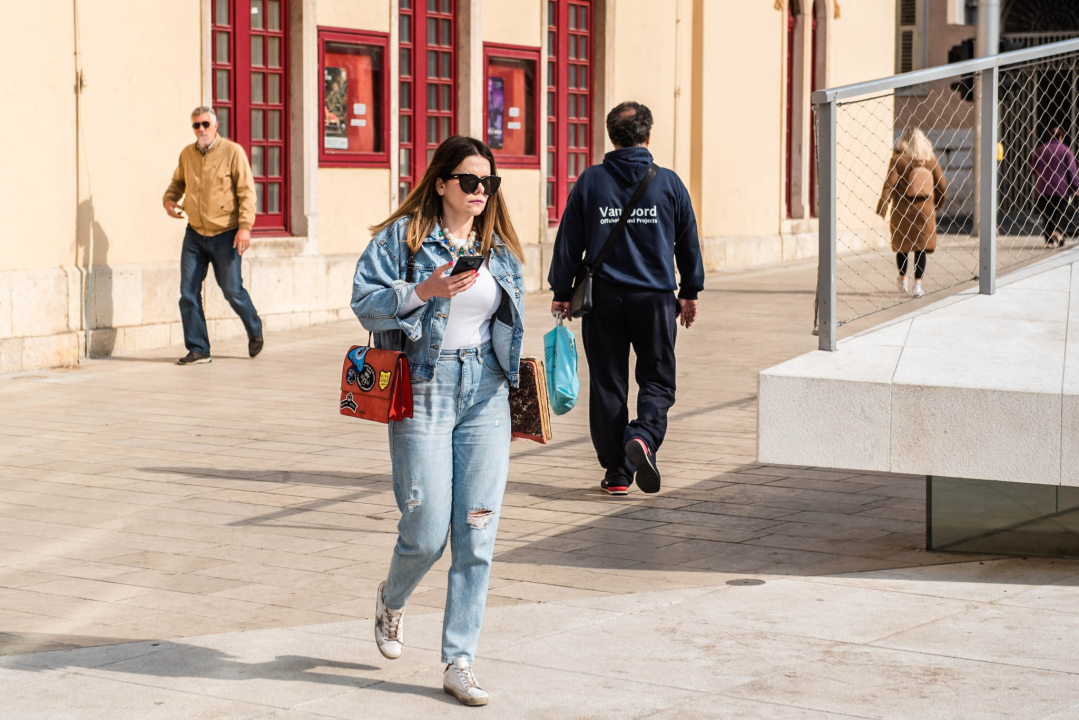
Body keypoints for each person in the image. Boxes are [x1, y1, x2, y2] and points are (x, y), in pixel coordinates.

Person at [351, 135, 526, 707]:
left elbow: (507, 318)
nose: (481, 192)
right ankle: (392, 598)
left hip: (486, 393)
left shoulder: (497, 247)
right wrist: (422, 290)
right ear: (443, 182)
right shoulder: (402, 241)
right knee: (426, 527)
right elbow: (363, 300)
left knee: (477, 531)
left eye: (489, 183)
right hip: (424, 386)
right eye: (470, 181)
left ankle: (460, 660)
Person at [548, 101, 704, 496]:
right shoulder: (668, 183)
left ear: (610, 136)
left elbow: (569, 240)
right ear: (649, 136)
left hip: (602, 300)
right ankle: (644, 437)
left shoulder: (591, 181)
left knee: (608, 384)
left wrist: (562, 291)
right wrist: (689, 291)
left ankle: (617, 472)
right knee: (656, 378)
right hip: (653, 299)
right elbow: (688, 242)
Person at [163, 106, 263, 365]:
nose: (201, 130)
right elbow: (178, 182)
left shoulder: (232, 152)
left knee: (232, 290)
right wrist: (169, 200)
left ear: (215, 125)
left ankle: (254, 328)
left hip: (226, 234)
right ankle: (198, 349)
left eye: (205, 124)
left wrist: (245, 227)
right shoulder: (187, 154)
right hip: (195, 234)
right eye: (196, 125)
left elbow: (246, 192)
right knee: (188, 292)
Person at [877, 126, 947, 299]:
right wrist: (936, 204)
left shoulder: (898, 160)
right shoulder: (930, 160)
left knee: (903, 247)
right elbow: (942, 185)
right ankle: (918, 285)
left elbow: (889, 185)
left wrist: (883, 207)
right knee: (920, 247)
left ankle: (902, 280)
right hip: (925, 211)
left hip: (902, 211)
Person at [1032, 126, 1079, 247]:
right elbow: (1071, 172)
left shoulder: (1040, 150)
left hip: (1043, 189)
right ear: (1060, 137)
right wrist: (1076, 187)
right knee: (1062, 212)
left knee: (1047, 215)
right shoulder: (1065, 150)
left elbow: (1032, 168)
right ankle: (1058, 231)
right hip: (1060, 189)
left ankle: (1049, 241)